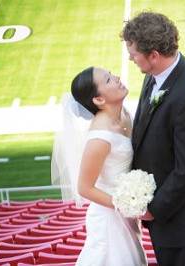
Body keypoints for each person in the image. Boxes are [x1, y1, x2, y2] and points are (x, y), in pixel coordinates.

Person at [122, 12, 185, 266]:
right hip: (165, 217)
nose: (130, 58)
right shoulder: (154, 74)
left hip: (182, 225)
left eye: (134, 54)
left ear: (154, 54)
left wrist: (154, 209)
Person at [51, 66, 147, 266]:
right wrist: (128, 205)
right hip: (109, 221)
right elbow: (84, 188)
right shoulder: (99, 138)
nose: (117, 77)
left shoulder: (124, 114)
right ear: (99, 100)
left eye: (111, 74)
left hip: (126, 216)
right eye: (108, 79)